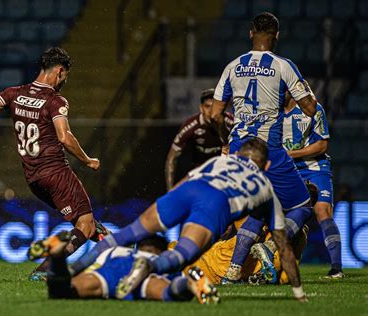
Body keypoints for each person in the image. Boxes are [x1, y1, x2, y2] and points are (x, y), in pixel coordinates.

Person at [31, 138, 308, 302]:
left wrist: (171, 205)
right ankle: (150, 265)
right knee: (181, 256)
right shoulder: (265, 186)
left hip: (188, 190)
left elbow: (185, 182)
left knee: (128, 233)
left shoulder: (220, 161)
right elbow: (283, 246)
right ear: (266, 165)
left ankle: (75, 266)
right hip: (214, 204)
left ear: (239, 155)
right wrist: (298, 292)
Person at [0, 47, 109, 280]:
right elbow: (64, 136)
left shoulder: (15, 93)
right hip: (56, 172)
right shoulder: (55, 101)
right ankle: (48, 267)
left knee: (87, 223)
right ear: (60, 72)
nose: (64, 82)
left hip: (34, 179)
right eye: (65, 77)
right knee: (86, 226)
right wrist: (87, 160)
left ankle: (119, 249)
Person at [210, 12, 318, 284]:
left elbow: (214, 114)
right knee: (304, 204)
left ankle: (234, 270)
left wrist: (225, 140)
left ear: (251, 33)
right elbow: (310, 108)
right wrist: (304, 92)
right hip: (269, 151)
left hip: (238, 150)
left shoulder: (233, 66)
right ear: (276, 35)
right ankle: (270, 249)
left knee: (260, 207)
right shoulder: (284, 65)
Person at [43, 233, 219, 304]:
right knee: (165, 291)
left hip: (116, 263)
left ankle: (57, 256)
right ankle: (189, 284)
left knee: (61, 290)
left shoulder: (116, 249)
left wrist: (69, 271)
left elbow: (84, 263)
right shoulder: (165, 259)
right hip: (149, 267)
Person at [283, 95, 343, 278]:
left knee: (323, 211)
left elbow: (322, 145)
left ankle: (336, 268)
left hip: (314, 167)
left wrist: (291, 154)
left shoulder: (313, 108)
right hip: (286, 169)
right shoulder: (270, 111)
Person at [165, 88, 233, 190]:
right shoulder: (191, 125)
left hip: (223, 172)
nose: (211, 111)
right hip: (198, 173)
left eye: (214, 107)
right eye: (207, 107)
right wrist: (170, 191)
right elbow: (171, 159)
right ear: (201, 108)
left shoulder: (230, 122)